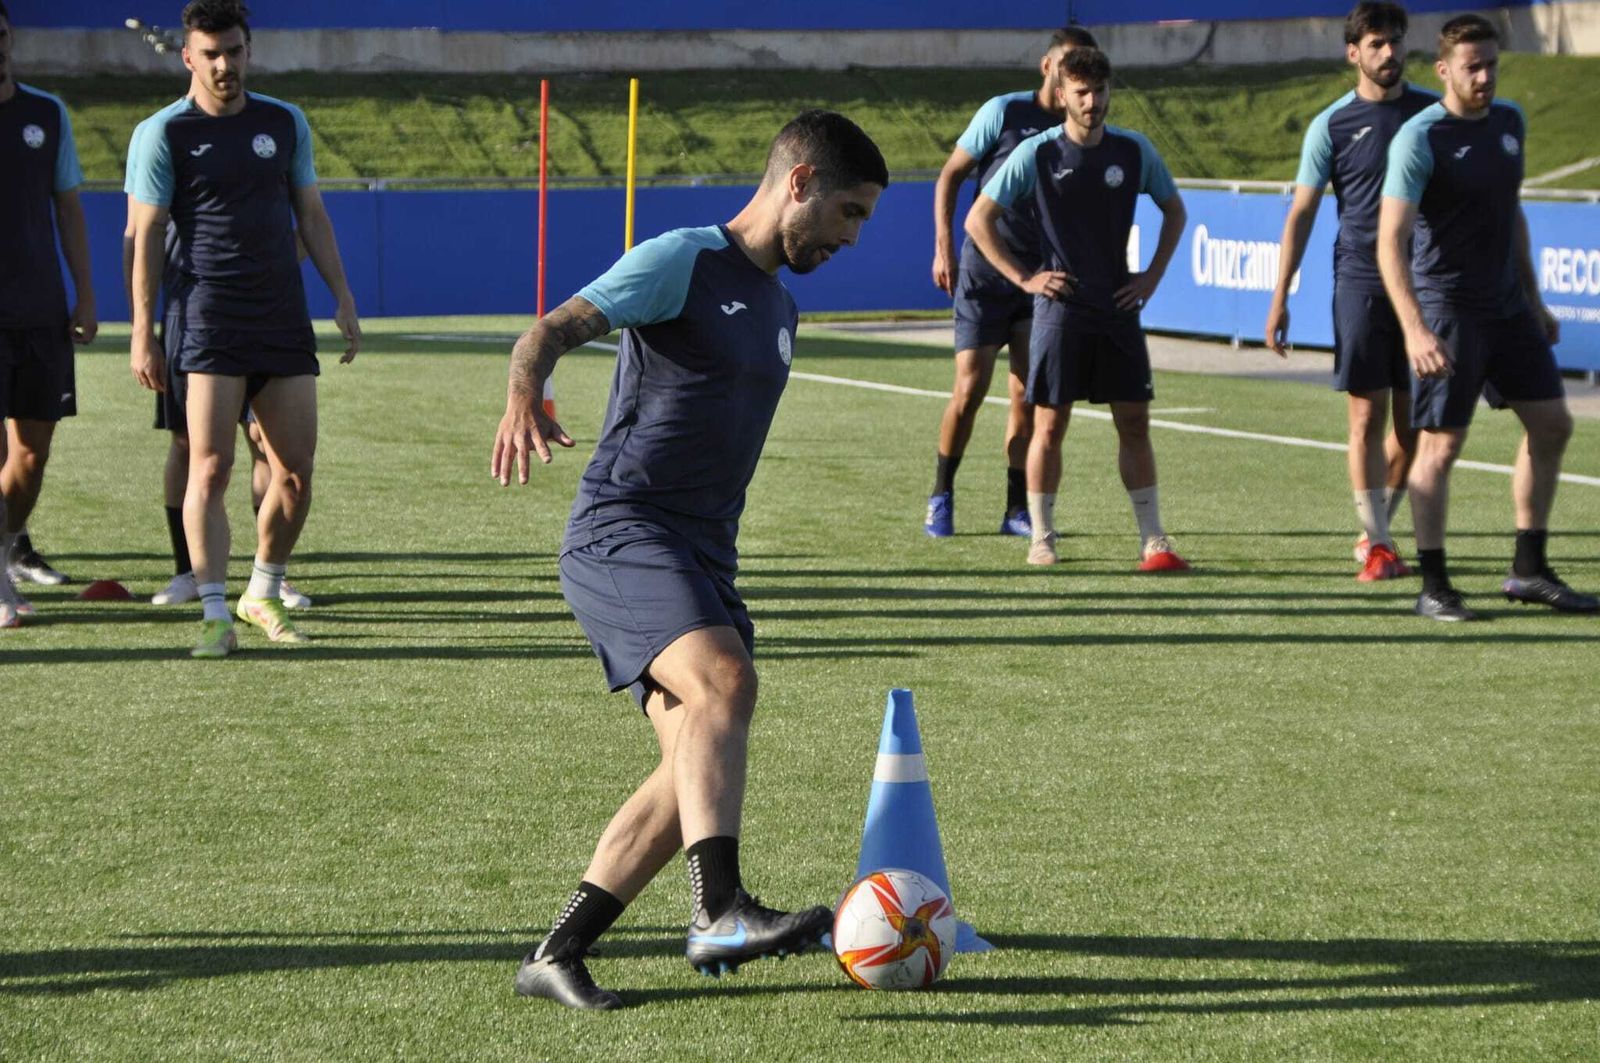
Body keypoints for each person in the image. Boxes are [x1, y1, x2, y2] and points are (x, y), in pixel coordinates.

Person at [491, 110, 886, 1010]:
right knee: (725, 686)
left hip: (704, 552)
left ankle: (557, 951)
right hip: (623, 530)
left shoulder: (782, 307)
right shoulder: (683, 259)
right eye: (849, 213)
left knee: (688, 775)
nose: (851, 237)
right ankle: (719, 910)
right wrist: (525, 394)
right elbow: (546, 332)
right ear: (799, 184)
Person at [126, 0, 359, 657]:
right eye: (211, 53)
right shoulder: (164, 133)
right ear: (188, 58)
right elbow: (143, 237)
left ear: (248, 50)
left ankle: (262, 587)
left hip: (281, 318)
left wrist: (341, 294)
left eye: (234, 50)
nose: (224, 64)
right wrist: (143, 330)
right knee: (210, 467)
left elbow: (310, 213)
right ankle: (212, 612)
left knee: (295, 474)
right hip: (209, 319)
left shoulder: (284, 123)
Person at [1377, 14, 1596, 620]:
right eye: (1472, 66)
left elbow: (1512, 216)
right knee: (1441, 448)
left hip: (1508, 309)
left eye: (1492, 64)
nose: (1485, 76)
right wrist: (1416, 327)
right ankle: (1434, 586)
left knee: (1552, 425)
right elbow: (1389, 241)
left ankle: (1529, 571)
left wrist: (1535, 299)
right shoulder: (1420, 137)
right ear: (1444, 69)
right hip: (1448, 311)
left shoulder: (1509, 123)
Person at [965, 47, 1189, 569]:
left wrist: (1151, 277)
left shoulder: (1133, 151)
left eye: (1101, 91)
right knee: (1049, 425)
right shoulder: (1037, 154)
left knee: (1134, 423)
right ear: (1061, 94)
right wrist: (1025, 277)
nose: (1093, 103)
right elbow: (979, 219)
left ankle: (1152, 538)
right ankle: (1041, 535)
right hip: (1060, 311)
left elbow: (1174, 209)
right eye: (1082, 93)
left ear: (1111, 91)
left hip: (1117, 308)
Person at [1266, 2, 1435, 583]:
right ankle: (1383, 542)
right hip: (1361, 281)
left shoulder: (1433, 114)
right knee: (1367, 414)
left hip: (1423, 285)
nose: (1390, 53)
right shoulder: (1331, 124)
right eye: (1378, 43)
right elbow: (1303, 214)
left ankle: (1373, 531)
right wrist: (1280, 295)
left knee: (1416, 428)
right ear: (1354, 52)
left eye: (1397, 42)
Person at [925, 26, 1098, 539]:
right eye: (1067, 65)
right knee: (969, 388)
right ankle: (941, 494)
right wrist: (942, 245)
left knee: (1028, 394)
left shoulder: (1080, 128)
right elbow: (951, 174)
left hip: (1039, 277)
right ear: (1048, 67)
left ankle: (1015, 509)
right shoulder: (1004, 112)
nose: (1075, 78)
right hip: (985, 270)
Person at [0, 0, 96, 627]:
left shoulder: (46, 113)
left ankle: (9, 549)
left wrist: (85, 294)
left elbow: (68, 209)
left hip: (38, 309)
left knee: (31, 456)